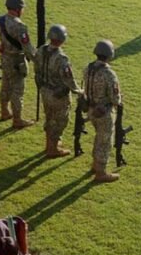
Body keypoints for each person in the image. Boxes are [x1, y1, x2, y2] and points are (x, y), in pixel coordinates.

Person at [0, 0, 37, 128]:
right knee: (17, 91)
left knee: (5, 86)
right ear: (18, 9)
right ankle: (17, 120)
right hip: (17, 61)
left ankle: (4, 111)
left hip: (4, 58)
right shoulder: (20, 26)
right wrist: (39, 61)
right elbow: (28, 49)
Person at [34, 24, 80, 158]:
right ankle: (53, 149)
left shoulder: (41, 50)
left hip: (45, 91)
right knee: (60, 121)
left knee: (49, 118)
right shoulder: (62, 58)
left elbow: (37, 69)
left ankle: (49, 144)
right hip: (58, 95)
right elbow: (69, 79)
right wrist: (78, 90)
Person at [84, 40, 121, 184]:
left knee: (99, 138)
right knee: (104, 142)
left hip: (91, 109)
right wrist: (118, 100)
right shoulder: (109, 74)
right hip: (104, 112)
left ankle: (95, 165)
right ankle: (101, 172)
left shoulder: (88, 68)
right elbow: (115, 97)